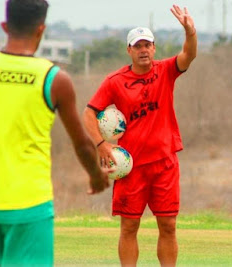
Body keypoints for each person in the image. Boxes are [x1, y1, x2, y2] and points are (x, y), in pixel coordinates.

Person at [0, 0, 112, 266]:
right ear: (41, 29)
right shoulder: (54, 78)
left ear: (4, 26)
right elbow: (81, 143)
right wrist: (96, 176)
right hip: (30, 206)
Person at [82, 5, 197, 267]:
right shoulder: (115, 81)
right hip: (130, 166)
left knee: (168, 225)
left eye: (148, 45)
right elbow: (89, 113)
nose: (143, 50)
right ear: (129, 50)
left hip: (165, 163)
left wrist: (190, 31)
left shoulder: (166, 70)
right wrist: (101, 145)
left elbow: (189, 54)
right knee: (129, 227)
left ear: (154, 49)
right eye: (138, 46)